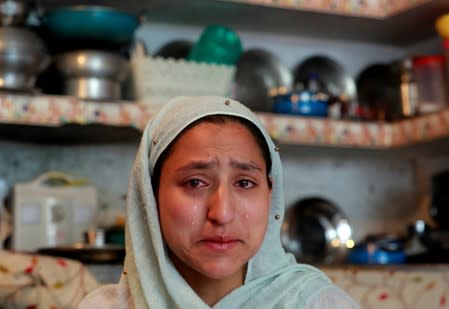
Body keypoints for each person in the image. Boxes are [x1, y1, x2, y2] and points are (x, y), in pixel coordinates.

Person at [78, 96, 360, 308]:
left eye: (245, 183)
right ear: (150, 197)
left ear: (270, 194)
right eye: (195, 182)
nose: (222, 214)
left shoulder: (316, 304)